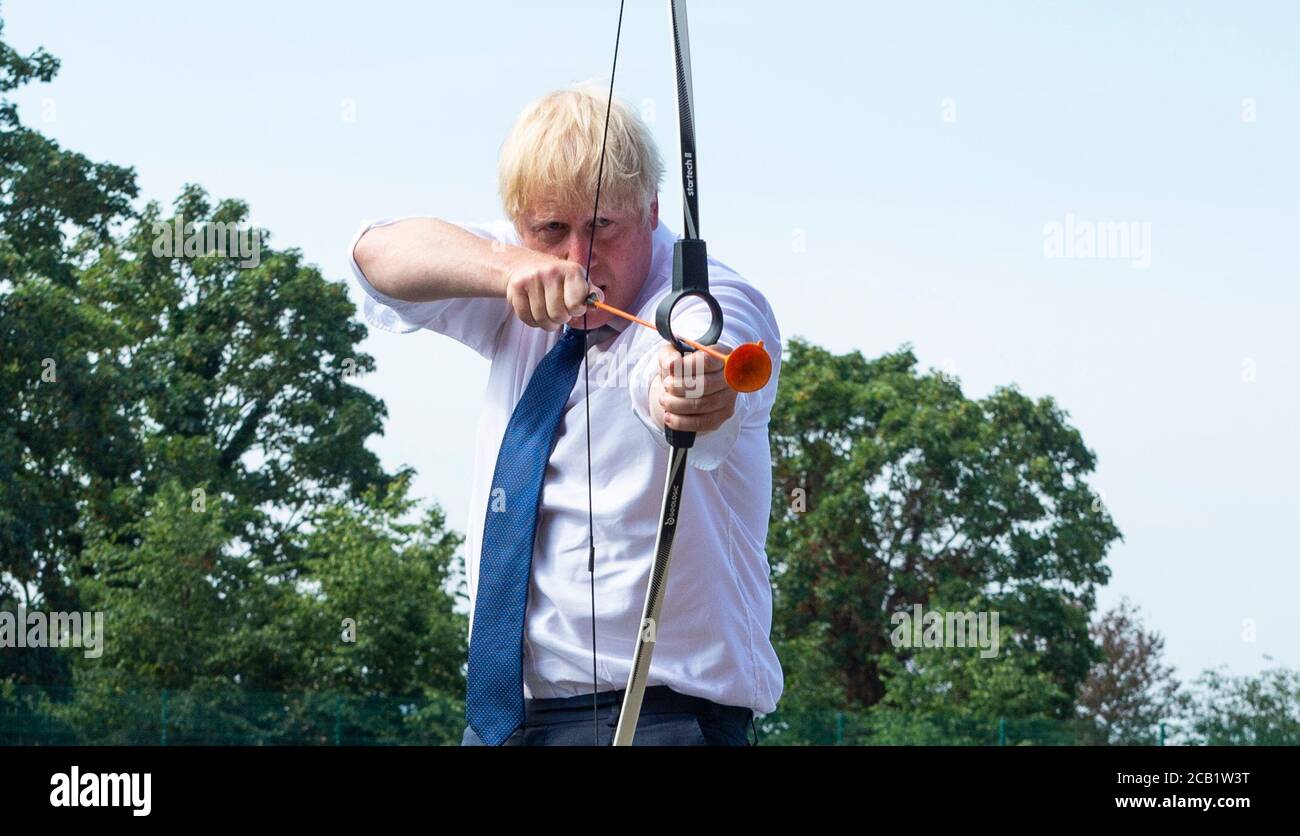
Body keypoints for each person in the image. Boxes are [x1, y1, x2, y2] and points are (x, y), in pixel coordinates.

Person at [347, 84, 782, 745]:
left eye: (603, 226)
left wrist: (697, 385)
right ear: (522, 225)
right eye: (552, 230)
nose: (577, 258)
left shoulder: (707, 294)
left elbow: (697, 346)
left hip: (659, 720)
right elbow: (376, 254)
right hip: (505, 725)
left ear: (652, 210)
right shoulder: (519, 271)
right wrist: (507, 268)